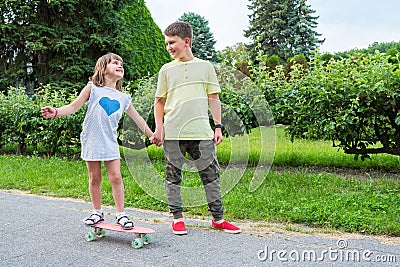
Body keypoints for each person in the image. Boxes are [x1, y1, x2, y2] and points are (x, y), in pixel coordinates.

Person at [41, 53, 154, 229]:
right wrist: (55, 111)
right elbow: (73, 107)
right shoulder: (92, 88)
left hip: (109, 141)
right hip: (92, 140)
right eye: (114, 63)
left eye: (121, 63)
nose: (120, 65)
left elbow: (138, 119)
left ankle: (120, 214)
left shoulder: (124, 98)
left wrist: (151, 135)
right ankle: (97, 212)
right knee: (95, 178)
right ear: (103, 68)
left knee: (116, 177)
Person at [152, 21, 241, 235]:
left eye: (172, 42)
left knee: (211, 176)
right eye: (166, 43)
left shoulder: (205, 67)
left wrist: (218, 126)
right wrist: (159, 128)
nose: (169, 47)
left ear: (186, 41)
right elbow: (159, 102)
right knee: (173, 176)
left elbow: (214, 98)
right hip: (173, 133)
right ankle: (177, 218)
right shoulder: (166, 70)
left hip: (201, 132)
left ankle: (218, 219)